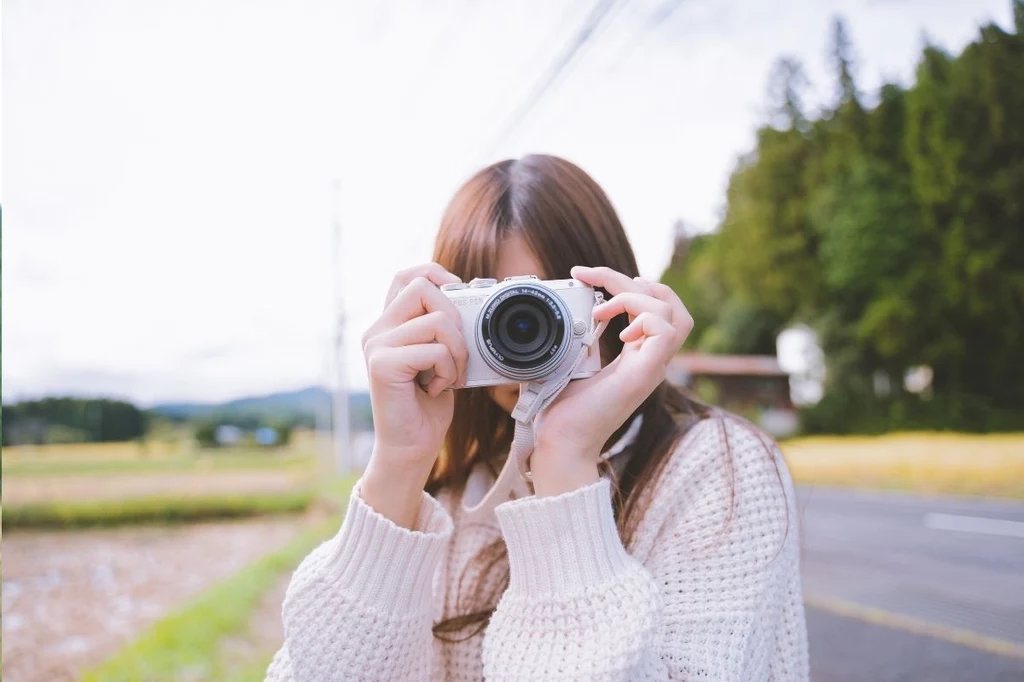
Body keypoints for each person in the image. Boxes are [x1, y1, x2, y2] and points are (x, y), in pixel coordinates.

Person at [265, 155, 809, 681]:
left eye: (548, 305)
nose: (526, 346)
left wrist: (564, 460)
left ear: (611, 299)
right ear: (445, 317)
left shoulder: (720, 469)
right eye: (497, 314)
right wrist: (398, 465)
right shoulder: (447, 493)